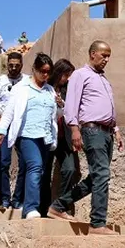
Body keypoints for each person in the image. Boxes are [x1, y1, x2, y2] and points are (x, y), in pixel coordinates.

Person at [47, 41, 124, 235]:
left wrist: (116, 130)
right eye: (103, 55)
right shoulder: (80, 75)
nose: (106, 59)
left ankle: (58, 206)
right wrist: (74, 130)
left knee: (97, 177)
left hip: (107, 132)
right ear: (92, 54)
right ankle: (97, 223)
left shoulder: (103, 79)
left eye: (108, 56)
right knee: (102, 175)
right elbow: (71, 105)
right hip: (92, 131)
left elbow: (108, 107)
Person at [0, 54, 58, 220]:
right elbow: (9, 111)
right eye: (42, 71)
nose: (45, 75)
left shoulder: (50, 90)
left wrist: (61, 106)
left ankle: (31, 205)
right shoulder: (21, 88)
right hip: (27, 135)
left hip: (45, 136)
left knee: (41, 171)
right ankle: (30, 208)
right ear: (34, 69)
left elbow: (53, 114)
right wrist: (1, 131)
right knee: (35, 166)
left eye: (48, 72)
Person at [0, 51, 30, 210]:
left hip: (22, 126)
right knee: (3, 162)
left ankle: (18, 198)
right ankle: (4, 198)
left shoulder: (28, 81)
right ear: (7, 64)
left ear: (22, 65)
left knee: (25, 163)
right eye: (11, 65)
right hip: (3, 127)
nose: (13, 68)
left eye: (17, 65)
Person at [48, 59, 77, 210]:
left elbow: (73, 109)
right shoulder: (46, 87)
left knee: (69, 169)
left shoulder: (68, 90)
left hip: (64, 137)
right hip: (48, 136)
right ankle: (42, 207)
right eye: (66, 75)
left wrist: (63, 104)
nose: (67, 78)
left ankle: (60, 206)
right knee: (43, 172)